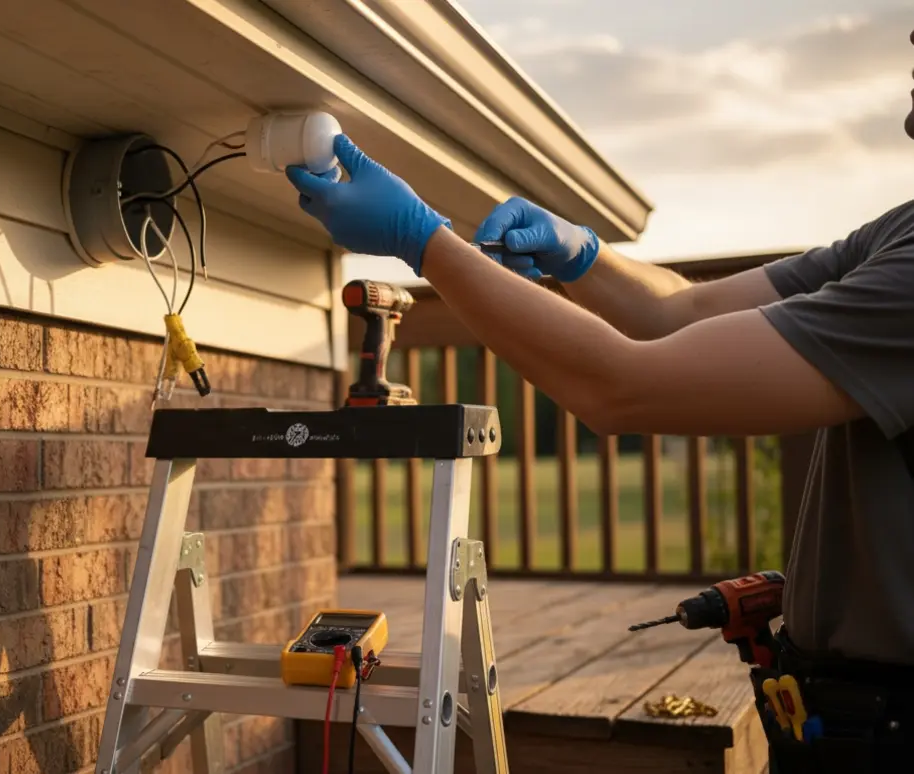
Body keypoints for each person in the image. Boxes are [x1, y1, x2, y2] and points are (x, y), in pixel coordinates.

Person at [285, 80, 914, 772]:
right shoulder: (899, 231)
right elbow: (684, 311)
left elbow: (625, 388)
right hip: (842, 715)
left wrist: (422, 241)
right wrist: (582, 255)